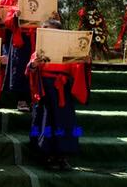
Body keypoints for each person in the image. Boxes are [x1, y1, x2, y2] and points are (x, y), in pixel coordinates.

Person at [26, 19, 91, 170]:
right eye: (47, 33)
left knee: (64, 123)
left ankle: (62, 156)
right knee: (45, 122)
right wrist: (34, 65)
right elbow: (29, 71)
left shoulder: (69, 52)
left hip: (63, 94)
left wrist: (85, 61)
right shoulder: (37, 53)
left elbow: (77, 69)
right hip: (45, 93)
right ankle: (47, 155)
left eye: (55, 32)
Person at [0, 0, 33, 111]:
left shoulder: (29, 1)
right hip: (10, 37)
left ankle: (28, 98)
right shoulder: (4, 0)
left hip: (29, 38)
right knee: (12, 64)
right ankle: (10, 97)